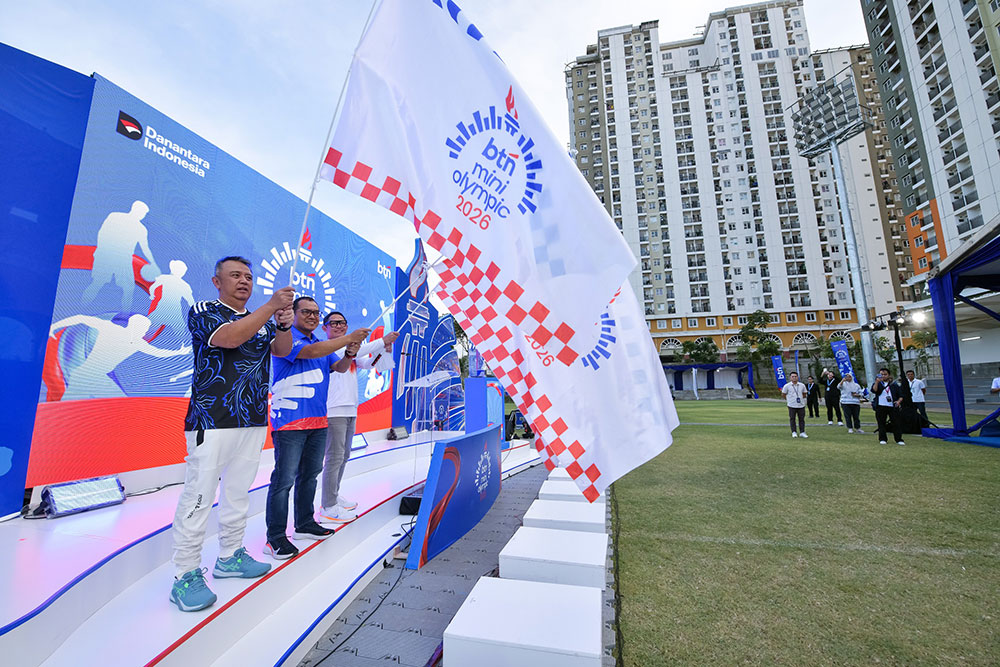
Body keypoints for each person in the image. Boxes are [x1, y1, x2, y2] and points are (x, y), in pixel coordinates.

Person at [169, 256, 294, 612]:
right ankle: (185, 574)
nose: (244, 281)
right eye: (235, 275)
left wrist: (283, 324)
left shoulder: (260, 319)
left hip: (252, 419)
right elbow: (228, 338)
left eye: (248, 277)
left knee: (238, 494)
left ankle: (230, 555)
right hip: (211, 420)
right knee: (199, 496)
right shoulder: (205, 310)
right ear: (217, 281)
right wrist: (270, 307)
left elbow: (282, 350)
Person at [266, 298, 370, 559]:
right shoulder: (287, 338)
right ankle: (275, 537)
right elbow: (311, 353)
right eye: (307, 312)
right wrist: (348, 338)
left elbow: (340, 368)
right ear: (294, 314)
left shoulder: (319, 343)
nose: (312, 316)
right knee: (284, 480)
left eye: (316, 312)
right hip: (290, 421)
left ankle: (304, 524)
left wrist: (349, 353)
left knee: (309, 475)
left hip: (318, 420)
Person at [319, 311, 399, 523]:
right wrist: (381, 340)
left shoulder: (351, 350)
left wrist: (383, 349)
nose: (339, 326)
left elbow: (368, 363)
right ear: (325, 328)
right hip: (334, 409)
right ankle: (328, 506)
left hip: (350, 408)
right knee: (334, 457)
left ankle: (334, 496)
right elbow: (357, 350)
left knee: (344, 455)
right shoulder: (328, 348)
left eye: (342, 323)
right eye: (334, 323)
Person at [871, 367, 905, 446]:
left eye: (885, 374)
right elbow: (874, 390)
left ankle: (898, 439)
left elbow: (901, 395)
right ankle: (883, 439)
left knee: (896, 423)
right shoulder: (878, 383)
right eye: (881, 374)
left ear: (889, 375)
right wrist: (877, 382)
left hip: (892, 406)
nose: (883, 376)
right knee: (881, 423)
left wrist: (898, 401)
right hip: (881, 406)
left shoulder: (894, 385)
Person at [781, 371, 809, 438]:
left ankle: (802, 432)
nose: (794, 378)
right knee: (792, 418)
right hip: (791, 405)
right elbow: (783, 394)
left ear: (797, 377)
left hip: (801, 405)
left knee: (801, 419)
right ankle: (794, 432)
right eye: (792, 376)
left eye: (795, 376)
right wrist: (789, 400)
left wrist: (802, 399)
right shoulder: (787, 386)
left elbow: (804, 393)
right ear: (790, 378)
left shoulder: (802, 385)